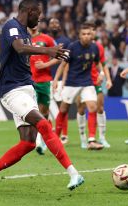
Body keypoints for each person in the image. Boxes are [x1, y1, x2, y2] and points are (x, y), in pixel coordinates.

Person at [0, 0, 83, 194]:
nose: (38, 21)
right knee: (44, 125)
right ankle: (73, 173)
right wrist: (48, 51)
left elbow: (15, 66)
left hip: (24, 89)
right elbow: (19, 48)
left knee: (28, 143)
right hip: (14, 92)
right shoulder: (11, 26)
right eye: (38, 17)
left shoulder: (24, 33)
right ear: (29, 11)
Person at [53, 22, 112, 150]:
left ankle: (91, 139)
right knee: (63, 110)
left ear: (92, 35)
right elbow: (63, 65)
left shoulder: (95, 48)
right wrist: (56, 80)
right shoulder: (72, 47)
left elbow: (98, 63)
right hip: (72, 83)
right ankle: (55, 139)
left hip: (87, 83)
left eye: (88, 34)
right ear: (79, 36)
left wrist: (101, 73)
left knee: (92, 107)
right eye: (83, 34)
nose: (86, 36)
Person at [75, 26, 112, 148]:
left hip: (95, 81)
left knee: (99, 108)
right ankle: (83, 138)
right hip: (81, 81)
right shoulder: (76, 47)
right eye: (87, 32)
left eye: (92, 31)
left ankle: (101, 138)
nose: (90, 33)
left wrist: (107, 78)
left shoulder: (98, 47)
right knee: (81, 108)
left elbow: (103, 64)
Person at [29, 24, 61, 154]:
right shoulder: (22, 40)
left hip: (44, 81)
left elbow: (59, 55)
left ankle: (44, 139)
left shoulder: (47, 39)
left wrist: (45, 64)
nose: (34, 24)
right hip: (29, 81)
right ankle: (38, 142)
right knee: (34, 111)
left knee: (45, 112)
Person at [48, 18, 72, 143]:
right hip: (46, 77)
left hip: (60, 78)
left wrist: (65, 79)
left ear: (60, 26)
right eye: (52, 23)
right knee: (47, 106)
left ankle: (64, 135)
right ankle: (51, 131)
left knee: (61, 106)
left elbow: (66, 62)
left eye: (56, 23)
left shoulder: (66, 41)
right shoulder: (45, 40)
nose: (54, 25)